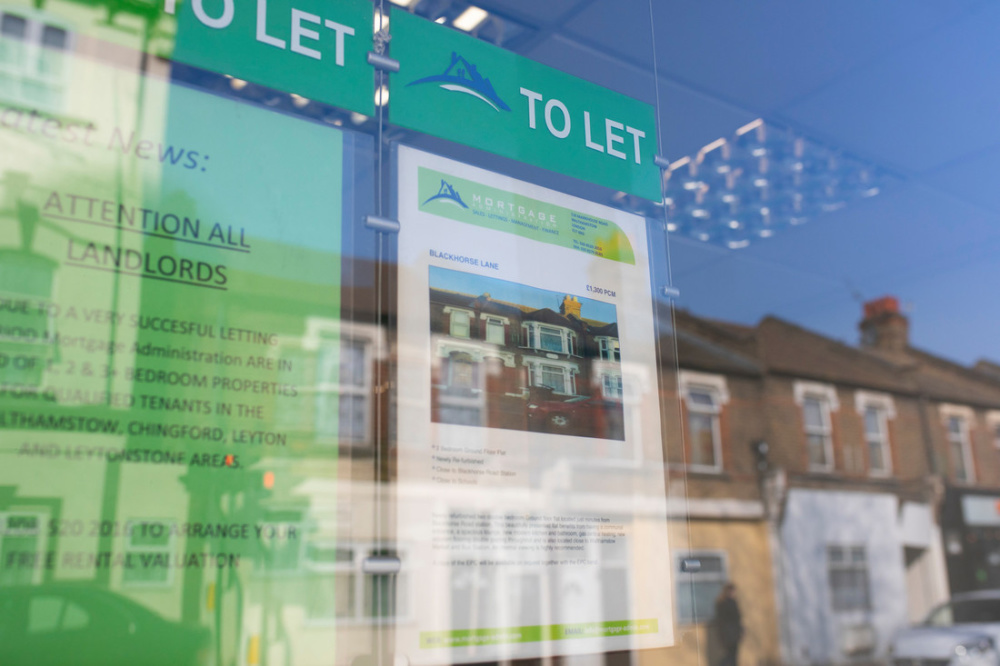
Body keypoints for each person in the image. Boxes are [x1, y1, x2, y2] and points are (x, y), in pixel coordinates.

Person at [712, 582, 743, 666]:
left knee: (730, 656)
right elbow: (735, 619)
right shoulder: (729, 603)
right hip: (731, 635)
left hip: (727, 635)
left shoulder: (721, 603)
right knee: (731, 657)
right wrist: (739, 631)